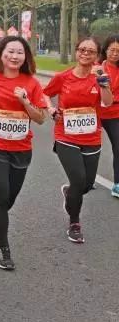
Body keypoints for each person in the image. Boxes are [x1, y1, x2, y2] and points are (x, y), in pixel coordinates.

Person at [0, 36, 47, 270]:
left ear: (26, 57)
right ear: (1, 54)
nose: (14, 56)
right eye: (10, 51)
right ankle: (4, 249)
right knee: (1, 194)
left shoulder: (32, 83)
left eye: (19, 53)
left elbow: (41, 118)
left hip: (21, 148)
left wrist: (25, 102)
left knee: (7, 200)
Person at [43, 38, 113, 243]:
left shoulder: (100, 76)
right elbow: (45, 94)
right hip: (66, 135)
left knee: (86, 185)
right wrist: (51, 109)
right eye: (82, 49)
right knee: (78, 180)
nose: (85, 53)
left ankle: (70, 193)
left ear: (97, 56)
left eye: (91, 51)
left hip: (91, 137)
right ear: (76, 52)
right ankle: (74, 223)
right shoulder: (63, 77)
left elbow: (107, 103)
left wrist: (104, 85)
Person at [99, 35, 119, 198]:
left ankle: (117, 184)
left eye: (118, 51)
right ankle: (86, 179)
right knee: (89, 147)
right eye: (112, 50)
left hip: (115, 114)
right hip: (95, 113)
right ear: (105, 50)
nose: (115, 54)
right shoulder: (96, 67)